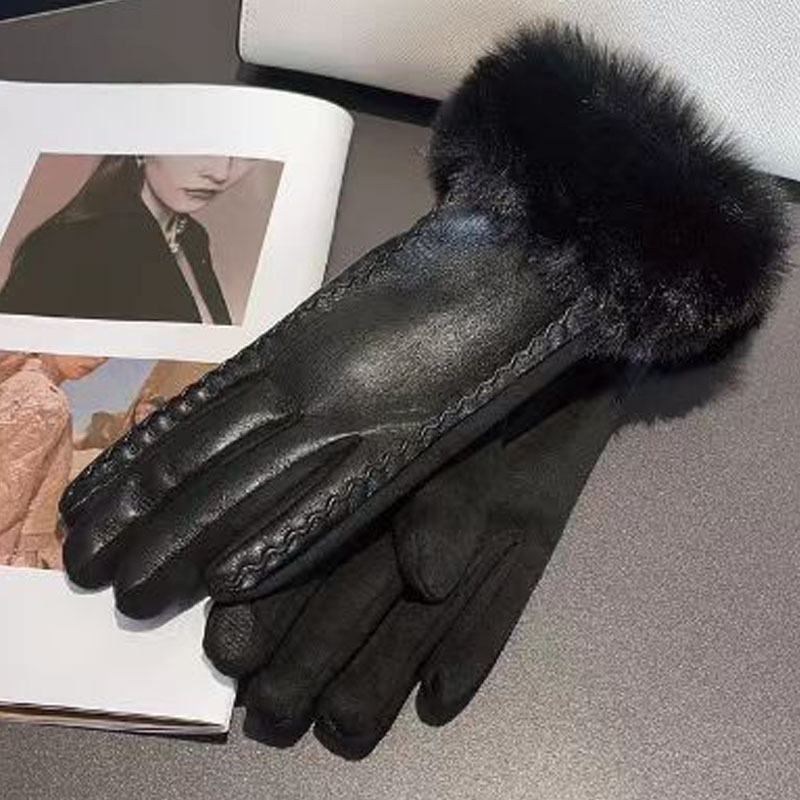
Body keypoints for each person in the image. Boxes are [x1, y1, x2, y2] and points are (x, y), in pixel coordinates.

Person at [0, 155, 256, 323]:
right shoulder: (65, 247)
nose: (220, 173)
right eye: (198, 147)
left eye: (242, 155)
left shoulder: (192, 237)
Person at [0, 351, 107, 569]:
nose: (99, 360)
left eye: (107, 356)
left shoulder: (23, 384)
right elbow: (7, 496)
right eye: (92, 348)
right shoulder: (45, 399)